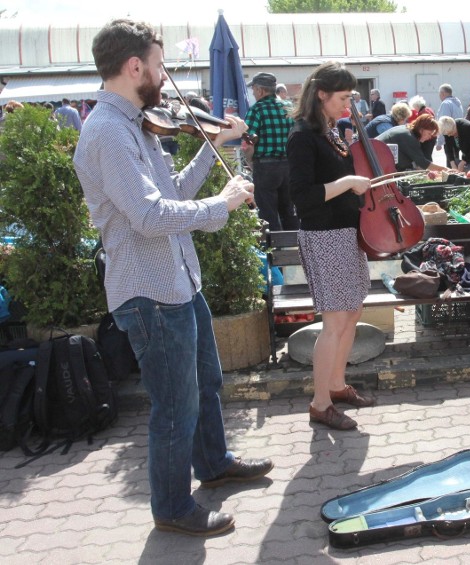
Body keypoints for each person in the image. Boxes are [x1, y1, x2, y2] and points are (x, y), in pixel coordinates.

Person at [72, 19, 273, 537]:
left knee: (205, 384)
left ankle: (213, 463)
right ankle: (172, 507)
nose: (164, 77)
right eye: (160, 66)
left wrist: (214, 145)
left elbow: (174, 191)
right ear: (134, 66)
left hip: (179, 282)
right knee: (173, 407)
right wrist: (222, 204)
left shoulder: (135, 123)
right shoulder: (108, 132)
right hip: (149, 293)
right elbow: (149, 216)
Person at [287, 61, 376, 431]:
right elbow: (303, 199)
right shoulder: (302, 137)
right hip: (324, 236)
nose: (348, 105)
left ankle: (337, 386)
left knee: (351, 313)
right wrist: (348, 183)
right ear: (321, 94)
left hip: (344, 233)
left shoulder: (331, 131)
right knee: (335, 321)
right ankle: (320, 403)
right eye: (342, 97)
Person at [244, 71, 298, 231]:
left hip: (265, 166)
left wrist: (249, 161)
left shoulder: (257, 109)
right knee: (289, 210)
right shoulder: (290, 107)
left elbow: (249, 140)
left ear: (260, 90)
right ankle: (294, 248)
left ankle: (275, 251)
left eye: (253, 89)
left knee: (268, 212)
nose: (253, 93)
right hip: (289, 165)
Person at [376, 114, 448, 173]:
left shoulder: (407, 130)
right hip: (376, 163)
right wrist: (446, 170)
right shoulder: (409, 137)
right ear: (421, 129)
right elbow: (423, 163)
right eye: (429, 133)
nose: (429, 137)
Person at [435, 83, 464, 152]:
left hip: (449, 137)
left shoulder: (446, 104)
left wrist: (439, 142)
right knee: (456, 159)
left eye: (439, 93)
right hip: (458, 136)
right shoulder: (457, 103)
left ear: (443, 93)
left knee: (451, 161)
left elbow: (443, 124)